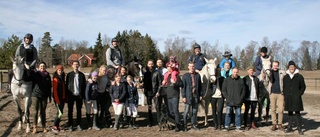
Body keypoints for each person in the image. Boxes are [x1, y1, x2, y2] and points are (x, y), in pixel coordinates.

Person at [283, 61, 306, 135]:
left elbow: (303, 87)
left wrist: (299, 94)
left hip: (296, 97)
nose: (291, 68)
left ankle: (299, 128)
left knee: (297, 113)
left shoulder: (299, 76)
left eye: (292, 67)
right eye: (290, 67)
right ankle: (289, 127)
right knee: (290, 113)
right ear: (288, 68)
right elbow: (284, 87)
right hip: (288, 97)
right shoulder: (286, 77)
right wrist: (285, 94)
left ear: (295, 67)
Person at [222, 67, 245, 132]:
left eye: (236, 72)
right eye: (234, 72)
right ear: (232, 72)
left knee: (238, 114)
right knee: (228, 114)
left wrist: (241, 98)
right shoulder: (227, 80)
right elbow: (224, 90)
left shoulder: (241, 80)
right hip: (229, 100)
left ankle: (238, 127)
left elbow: (243, 90)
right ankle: (227, 126)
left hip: (238, 101)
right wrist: (227, 97)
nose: (235, 73)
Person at [66, 61, 86, 131]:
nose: (76, 66)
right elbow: (66, 86)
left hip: (79, 96)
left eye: (77, 64)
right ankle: (70, 125)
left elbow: (84, 86)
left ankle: (78, 124)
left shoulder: (82, 75)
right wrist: (66, 96)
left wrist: (83, 96)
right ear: (72, 66)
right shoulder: (69, 75)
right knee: (70, 111)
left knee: (79, 110)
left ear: (79, 65)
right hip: (71, 95)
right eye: (74, 64)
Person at [31, 62, 52, 133]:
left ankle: (44, 126)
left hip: (44, 96)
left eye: (43, 66)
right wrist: (28, 70)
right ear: (38, 67)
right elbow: (28, 79)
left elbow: (49, 87)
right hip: (35, 95)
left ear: (45, 67)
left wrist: (49, 96)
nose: (42, 67)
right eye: (41, 66)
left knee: (43, 112)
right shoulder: (35, 74)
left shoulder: (47, 75)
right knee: (35, 111)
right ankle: (35, 126)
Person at [182, 62, 202, 131]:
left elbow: (200, 87)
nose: (192, 67)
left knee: (194, 111)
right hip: (188, 96)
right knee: (186, 111)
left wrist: (201, 95)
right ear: (188, 67)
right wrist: (183, 96)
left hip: (196, 96)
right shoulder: (185, 76)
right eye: (190, 66)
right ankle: (185, 125)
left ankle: (193, 124)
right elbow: (183, 87)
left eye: (193, 66)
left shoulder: (197, 75)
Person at [266, 61, 286, 131]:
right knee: (273, 109)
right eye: (274, 65)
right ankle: (274, 123)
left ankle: (280, 124)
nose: (275, 67)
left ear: (278, 66)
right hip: (272, 93)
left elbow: (285, 81)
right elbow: (266, 83)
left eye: (276, 65)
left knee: (281, 109)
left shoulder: (282, 72)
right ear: (272, 66)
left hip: (280, 93)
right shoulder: (269, 72)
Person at [166, 66, 183, 132]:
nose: (169, 70)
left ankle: (177, 125)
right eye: (168, 69)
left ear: (172, 70)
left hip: (175, 96)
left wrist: (175, 83)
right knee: (171, 112)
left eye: (170, 69)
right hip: (168, 96)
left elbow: (181, 84)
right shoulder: (167, 77)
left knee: (175, 111)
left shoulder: (177, 76)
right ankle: (174, 123)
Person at [243, 66, 260, 130]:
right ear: (248, 71)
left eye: (252, 70)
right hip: (247, 98)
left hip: (255, 98)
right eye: (250, 70)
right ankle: (245, 124)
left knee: (253, 111)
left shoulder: (256, 79)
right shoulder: (245, 79)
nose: (251, 71)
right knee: (246, 111)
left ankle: (252, 123)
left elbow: (258, 88)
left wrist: (258, 97)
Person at [153, 59, 168, 127]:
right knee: (158, 106)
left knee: (166, 106)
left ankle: (166, 120)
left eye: (160, 62)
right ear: (156, 63)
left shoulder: (165, 70)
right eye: (158, 62)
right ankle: (159, 121)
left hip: (165, 90)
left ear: (162, 63)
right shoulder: (155, 70)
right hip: (157, 91)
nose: (159, 63)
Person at [51, 65, 66, 133]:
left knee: (60, 112)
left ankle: (57, 125)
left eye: (61, 70)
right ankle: (54, 126)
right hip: (57, 99)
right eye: (59, 70)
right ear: (56, 71)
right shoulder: (55, 79)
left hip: (62, 98)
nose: (60, 71)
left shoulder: (62, 78)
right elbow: (55, 91)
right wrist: (57, 100)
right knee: (60, 113)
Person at [143, 60, 157, 127]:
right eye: (149, 64)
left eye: (151, 64)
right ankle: (150, 122)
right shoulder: (145, 74)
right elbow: (144, 83)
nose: (150, 65)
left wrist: (157, 91)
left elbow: (159, 83)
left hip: (155, 92)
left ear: (153, 64)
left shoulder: (156, 73)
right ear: (147, 65)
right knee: (150, 108)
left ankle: (159, 121)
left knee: (157, 107)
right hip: (148, 93)